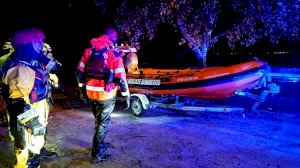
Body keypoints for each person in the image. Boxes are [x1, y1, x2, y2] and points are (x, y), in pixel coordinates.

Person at [1, 28, 60, 168]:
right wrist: (33, 122)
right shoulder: (20, 67)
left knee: (35, 142)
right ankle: (23, 164)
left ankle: (36, 155)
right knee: (24, 143)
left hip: (37, 108)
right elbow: (18, 102)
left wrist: (43, 58)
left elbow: (55, 68)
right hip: (27, 115)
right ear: (28, 45)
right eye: (37, 41)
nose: (41, 44)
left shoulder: (32, 61)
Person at [75, 27, 130, 163]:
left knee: (99, 121)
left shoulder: (88, 51)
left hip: (91, 93)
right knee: (103, 124)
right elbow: (121, 78)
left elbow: (79, 73)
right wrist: (126, 96)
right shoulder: (114, 54)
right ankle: (97, 154)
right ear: (113, 38)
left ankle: (100, 144)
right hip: (106, 95)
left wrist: (82, 91)